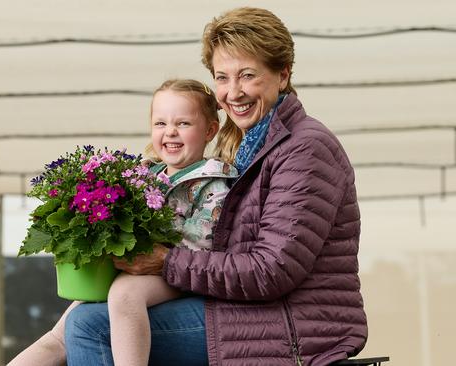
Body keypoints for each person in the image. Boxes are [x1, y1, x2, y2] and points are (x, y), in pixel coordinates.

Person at [66, 7, 368, 366]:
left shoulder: (304, 148)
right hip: (249, 312)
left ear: (282, 75)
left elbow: (272, 270)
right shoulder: (250, 146)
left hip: (288, 328)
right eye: (222, 78)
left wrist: (165, 262)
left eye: (248, 76)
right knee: (79, 317)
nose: (233, 92)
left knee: (90, 327)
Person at [7, 79, 236, 366]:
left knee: (124, 295)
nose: (170, 132)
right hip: (133, 267)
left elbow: (204, 242)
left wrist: (152, 252)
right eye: (160, 124)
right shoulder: (142, 174)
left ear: (210, 130)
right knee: (60, 334)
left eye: (184, 123)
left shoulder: (214, 182)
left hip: (175, 273)